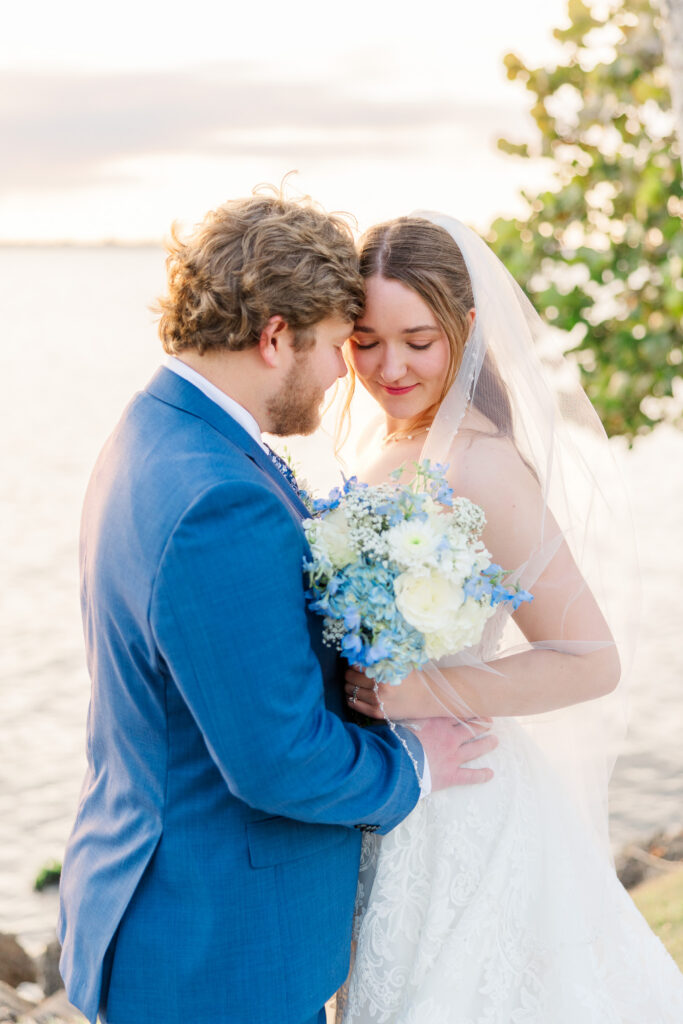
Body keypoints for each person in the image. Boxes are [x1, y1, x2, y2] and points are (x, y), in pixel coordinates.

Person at [56, 192, 499, 1024]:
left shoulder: (157, 431)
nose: (346, 373)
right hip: (216, 953)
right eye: (339, 343)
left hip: (167, 909)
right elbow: (279, 760)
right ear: (273, 338)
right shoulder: (215, 498)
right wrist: (418, 767)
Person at [335, 214, 683, 1022]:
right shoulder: (390, 446)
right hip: (392, 796)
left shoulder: (479, 465)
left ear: (466, 327)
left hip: (465, 803)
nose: (389, 366)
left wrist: (424, 693)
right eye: (365, 340)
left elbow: (589, 657)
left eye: (417, 340)